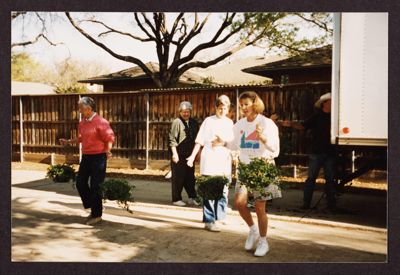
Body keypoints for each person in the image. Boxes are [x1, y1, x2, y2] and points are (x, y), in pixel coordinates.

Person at [229, 91, 280, 257]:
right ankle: (253, 229)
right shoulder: (239, 125)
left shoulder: (267, 123)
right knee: (239, 203)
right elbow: (232, 144)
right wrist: (219, 142)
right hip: (245, 169)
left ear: (255, 104)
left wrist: (263, 138)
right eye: (241, 105)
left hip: (262, 168)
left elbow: (276, 150)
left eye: (246, 104)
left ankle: (263, 241)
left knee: (259, 207)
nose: (243, 108)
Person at [59, 96, 115, 226]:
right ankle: (94, 206)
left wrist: (108, 150)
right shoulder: (83, 122)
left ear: (89, 109)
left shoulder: (101, 122)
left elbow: (110, 138)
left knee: (96, 186)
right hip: (86, 157)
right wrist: (69, 141)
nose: (79, 111)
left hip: (99, 157)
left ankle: (96, 214)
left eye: (81, 109)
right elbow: (81, 137)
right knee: (80, 183)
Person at [281, 92, 336, 211]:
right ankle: (306, 204)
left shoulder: (335, 117)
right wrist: (291, 124)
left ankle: (331, 205)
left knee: (330, 179)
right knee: (311, 179)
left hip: (330, 152)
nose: (333, 103)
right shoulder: (317, 116)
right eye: (331, 101)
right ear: (325, 103)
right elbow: (303, 126)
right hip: (316, 152)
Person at [186, 95, 234, 232]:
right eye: (219, 108)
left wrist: (223, 143)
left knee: (223, 188)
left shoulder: (230, 123)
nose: (222, 111)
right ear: (215, 107)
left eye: (224, 108)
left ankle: (220, 216)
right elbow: (200, 140)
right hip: (210, 157)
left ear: (228, 109)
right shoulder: (208, 121)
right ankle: (209, 220)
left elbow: (232, 142)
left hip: (223, 158)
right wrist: (192, 156)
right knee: (209, 188)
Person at [168, 101, 200, 207]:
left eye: (188, 112)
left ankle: (192, 197)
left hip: (190, 154)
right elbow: (172, 139)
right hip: (179, 154)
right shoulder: (177, 122)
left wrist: (197, 154)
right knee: (178, 177)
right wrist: (174, 154)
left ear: (190, 111)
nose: (186, 114)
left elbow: (198, 139)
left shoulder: (194, 123)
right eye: (183, 112)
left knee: (190, 177)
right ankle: (176, 198)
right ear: (180, 112)